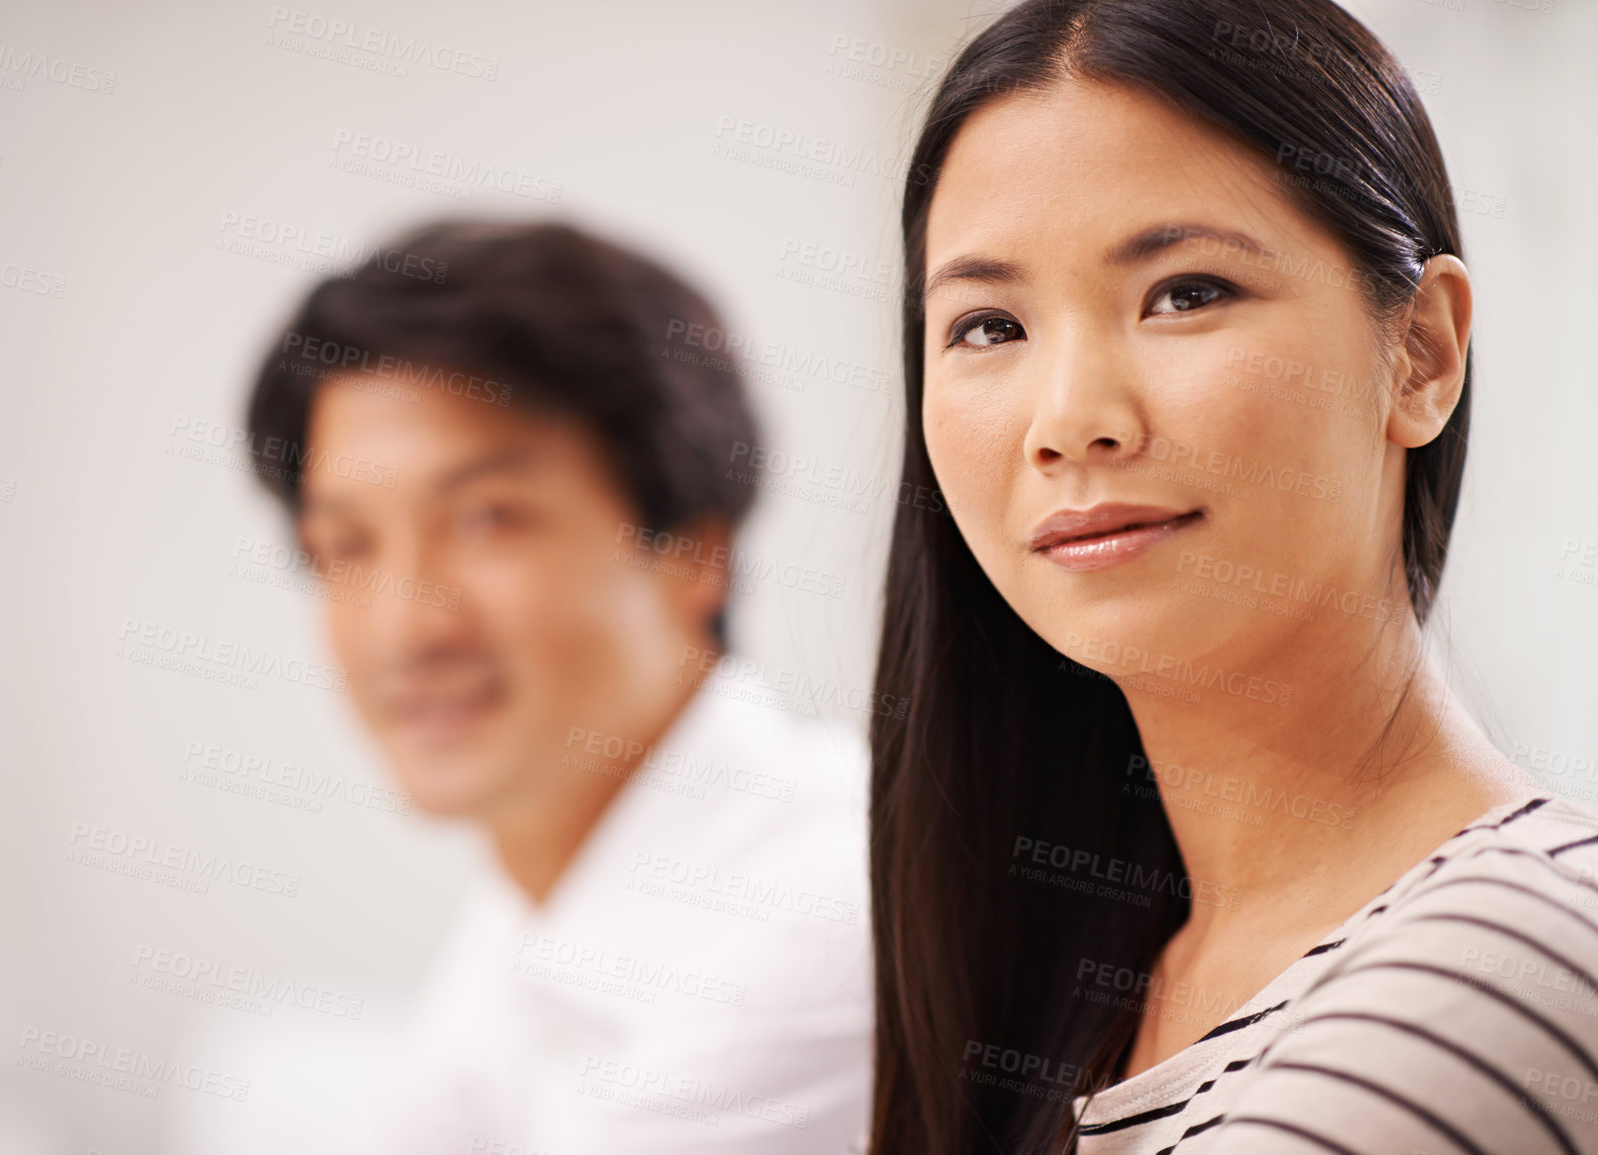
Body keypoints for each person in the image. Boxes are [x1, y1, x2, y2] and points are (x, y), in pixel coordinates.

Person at [866, 1, 1598, 1152]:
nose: (1069, 423)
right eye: (990, 325)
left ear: (1421, 352)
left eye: (1187, 293)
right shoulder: (1085, 986)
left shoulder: (1515, 949)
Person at [172, 220, 872, 1153]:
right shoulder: (536, 886)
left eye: (486, 519)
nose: (404, 627)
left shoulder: (821, 912)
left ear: (693, 550)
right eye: (346, 545)